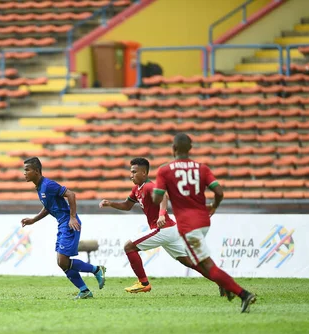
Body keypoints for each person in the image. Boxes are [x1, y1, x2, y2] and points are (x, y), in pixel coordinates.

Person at [152, 133, 257, 313]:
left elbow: (156, 199)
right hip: (203, 220)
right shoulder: (202, 168)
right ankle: (225, 285)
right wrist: (214, 206)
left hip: (188, 224)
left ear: (173, 148)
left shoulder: (165, 170)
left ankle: (243, 294)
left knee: (205, 264)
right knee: (199, 263)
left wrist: (163, 190)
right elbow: (219, 192)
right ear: (190, 148)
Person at [100, 157, 225, 294]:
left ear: (144, 173)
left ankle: (143, 283)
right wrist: (111, 203)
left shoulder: (148, 186)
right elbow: (127, 205)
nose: (131, 175)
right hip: (171, 230)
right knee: (190, 262)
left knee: (129, 246)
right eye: (131, 172)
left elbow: (163, 196)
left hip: (163, 229)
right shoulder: (137, 189)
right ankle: (222, 281)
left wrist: (161, 214)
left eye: (134, 172)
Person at [21, 157, 106, 299]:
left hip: (69, 223)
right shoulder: (40, 187)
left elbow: (71, 194)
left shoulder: (48, 185)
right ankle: (84, 290)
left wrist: (72, 217)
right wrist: (34, 220)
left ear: (36, 171)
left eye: (27, 170)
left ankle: (97, 270)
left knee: (63, 260)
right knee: (62, 262)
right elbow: (49, 207)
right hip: (62, 224)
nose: (24, 173)